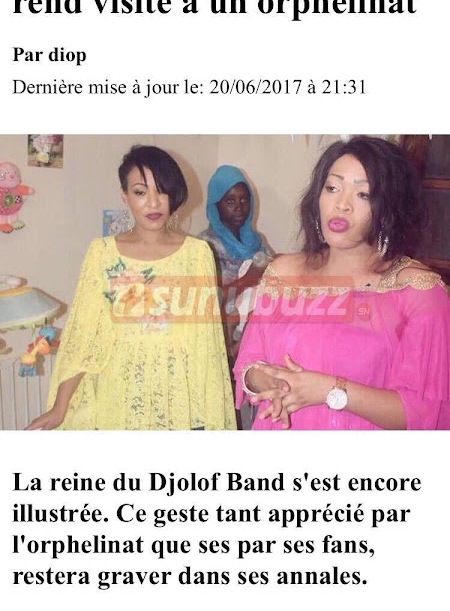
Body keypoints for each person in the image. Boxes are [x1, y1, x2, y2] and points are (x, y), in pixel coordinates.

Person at [234, 136, 450, 431]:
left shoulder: (420, 293)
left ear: (390, 208)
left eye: (363, 194)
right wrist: (268, 381)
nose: (341, 205)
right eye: (332, 188)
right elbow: (248, 363)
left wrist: (330, 391)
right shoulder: (282, 272)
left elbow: (425, 414)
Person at [27, 146, 236, 431]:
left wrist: (212, 417)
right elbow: (84, 337)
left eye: (161, 191)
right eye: (140, 192)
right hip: (118, 399)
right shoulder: (102, 254)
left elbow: (207, 345)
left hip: (179, 404)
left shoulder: (197, 254)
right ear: (124, 196)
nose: (153, 203)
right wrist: (60, 407)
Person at [198, 165, 274, 357]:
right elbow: (203, 301)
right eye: (230, 201)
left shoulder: (256, 241)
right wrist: (246, 281)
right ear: (216, 204)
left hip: (257, 333)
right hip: (220, 342)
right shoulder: (205, 245)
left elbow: (275, 273)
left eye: (244, 199)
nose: (239, 207)